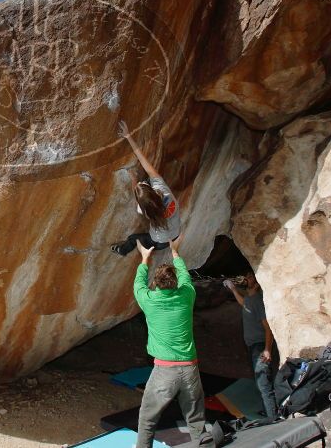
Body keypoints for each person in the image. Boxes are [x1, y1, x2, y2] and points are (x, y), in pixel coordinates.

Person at [133, 235, 205, 448]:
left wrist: (145, 258)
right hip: (190, 369)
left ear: (155, 283)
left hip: (164, 371)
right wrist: (174, 251)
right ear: (175, 283)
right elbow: (185, 276)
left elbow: (138, 282)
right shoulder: (187, 295)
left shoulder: (149, 300)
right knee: (196, 422)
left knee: (147, 419)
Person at [112, 120, 180, 256]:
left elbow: (137, 195)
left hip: (158, 241)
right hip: (174, 235)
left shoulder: (145, 211)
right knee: (150, 179)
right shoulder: (165, 194)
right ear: (155, 192)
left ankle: (120, 250)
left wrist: (134, 180)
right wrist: (129, 136)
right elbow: (147, 165)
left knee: (132, 239)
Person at [224, 271, 279, 421]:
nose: (246, 279)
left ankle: (273, 417)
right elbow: (244, 304)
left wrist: (267, 349)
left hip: (260, 346)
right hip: (253, 346)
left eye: (249, 277)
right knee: (262, 381)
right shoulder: (251, 300)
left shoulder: (259, 301)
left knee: (263, 382)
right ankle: (269, 411)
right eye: (246, 276)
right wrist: (233, 289)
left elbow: (268, 328)